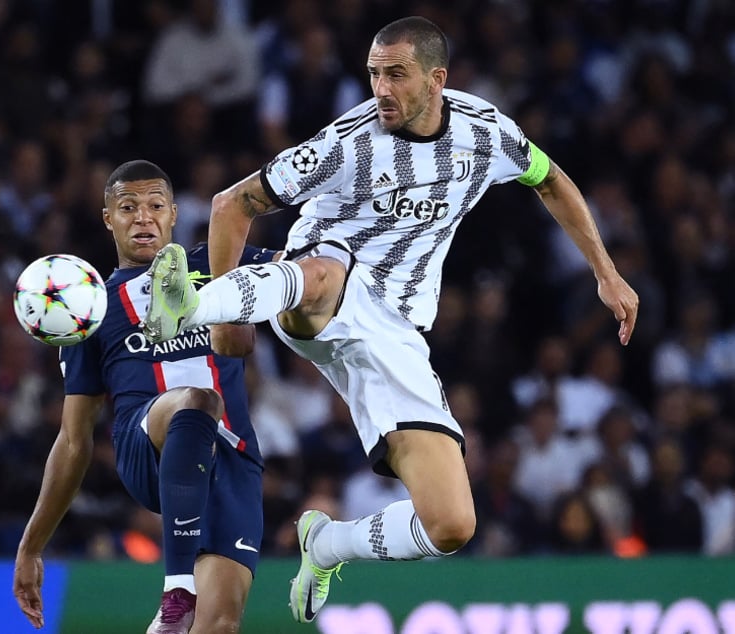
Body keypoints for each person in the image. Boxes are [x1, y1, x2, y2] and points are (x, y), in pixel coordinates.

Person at [143, 16, 639, 623]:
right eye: (374, 73)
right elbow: (232, 204)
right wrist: (222, 317)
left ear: (437, 80)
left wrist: (605, 271)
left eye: (396, 75)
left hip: (396, 330)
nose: (381, 88)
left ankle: (325, 545)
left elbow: (552, 181)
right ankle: (185, 304)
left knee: (452, 522)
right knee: (325, 272)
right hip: (316, 290)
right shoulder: (349, 141)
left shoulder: (486, 134)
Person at [13, 160, 276, 634]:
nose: (143, 217)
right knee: (197, 401)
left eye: (155, 206)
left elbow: (305, 268)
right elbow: (74, 441)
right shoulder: (90, 307)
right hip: (147, 447)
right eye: (128, 207)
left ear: (173, 214)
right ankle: (177, 588)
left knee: (219, 626)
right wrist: (32, 546)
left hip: (232, 462)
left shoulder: (215, 262)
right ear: (107, 218)